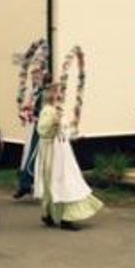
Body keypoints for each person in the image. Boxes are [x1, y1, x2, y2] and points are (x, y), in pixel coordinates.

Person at [34, 85, 103, 230]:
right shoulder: (47, 111)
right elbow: (42, 130)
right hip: (54, 153)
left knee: (67, 179)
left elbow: (64, 131)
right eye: (57, 93)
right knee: (61, 181)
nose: (60, 96)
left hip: (63, 151)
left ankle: (53, 215)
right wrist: (53, 124)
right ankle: (62, 217)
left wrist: (73, 133)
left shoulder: (57, 110)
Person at [14, 69, 48, 199]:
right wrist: (25, 112)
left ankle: (30, 184)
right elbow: (29, 107)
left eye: (37, 77)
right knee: (27, 155)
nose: (34, 79)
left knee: (35, 156)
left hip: (41, 129)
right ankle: (25, 185)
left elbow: (44, 111)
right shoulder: (34, 92)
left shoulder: (44, 93)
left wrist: (33, 115)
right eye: (33, 77)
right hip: (32, 127)